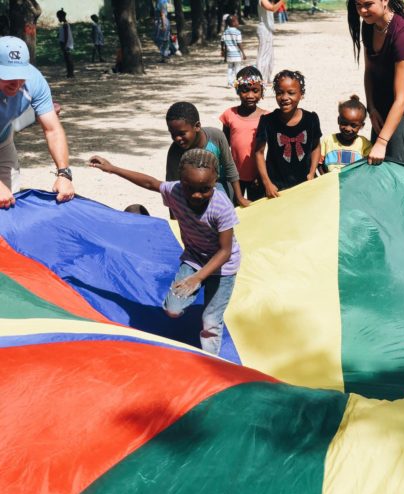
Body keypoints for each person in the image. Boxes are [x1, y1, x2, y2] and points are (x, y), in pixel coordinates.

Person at [89, 149, 240, 356]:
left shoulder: (221, 207)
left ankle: (210, 360)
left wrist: (197, 279)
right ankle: (192, 302)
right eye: (190, 188)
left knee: (211, 320)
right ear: (180, 182)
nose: (197, 195)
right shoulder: (175, 191)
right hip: (195, 259)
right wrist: (113, 169)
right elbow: (150, 183)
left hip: (222, 266)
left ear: (215, 182)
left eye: (205, 189)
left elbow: (225, 251)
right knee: (173, 310)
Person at [347, 0, 404, 167]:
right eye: (358, 5)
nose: (362, 10)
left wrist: (382, 142)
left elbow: (402, 99)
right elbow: (369, 71)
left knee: (401, 175)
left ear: (385, 1)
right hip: (381, 111)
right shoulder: (369, 25)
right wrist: (372, 108)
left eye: (368, 4)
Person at [0, 36, 74, 209]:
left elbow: (52, 130)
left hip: (3, 140)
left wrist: (64, 174)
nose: (16, 84)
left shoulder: (34, 81)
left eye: (21, 76)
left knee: (8, 202)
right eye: (8, 76)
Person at [255, 70, 321, 197]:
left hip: (305, 183)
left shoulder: (311, 119)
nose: (285, 97)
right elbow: (259, 153)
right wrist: (267, 183)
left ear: (301, 94)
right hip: (276, 186)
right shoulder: (267, 121)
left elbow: (316, 147)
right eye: (280, 93)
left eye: (291, 93)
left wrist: (312, 173)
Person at [165, 102, 244, 206]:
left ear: (197, 126)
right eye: (173, 134)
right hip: (193, 193)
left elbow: (229, 166)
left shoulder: (216, 137)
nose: (177, 139)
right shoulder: (175, 152)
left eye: (181, 133)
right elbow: (172, 186)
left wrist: (239, 198)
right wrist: (174, 214)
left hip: (221, 185)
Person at [220, 66, 268, 204]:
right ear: (237, 90)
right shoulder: (229, 115)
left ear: (262, 91)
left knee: (257, 207)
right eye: (245, 90)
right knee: (234, 208)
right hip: (234, 176)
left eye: (255, 90)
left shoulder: (267, 117)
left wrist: (263, 175)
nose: (250, 95)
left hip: (258, 175)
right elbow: (225, 146)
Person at [319, 95, 372, 174]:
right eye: (344, 123)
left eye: (353, 125)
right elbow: (319, 163)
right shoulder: (328, 140)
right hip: (331, 183)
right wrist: (323, 177)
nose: (348, 128)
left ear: (361, 126)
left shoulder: (364, 143)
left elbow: (369, 166)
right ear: (338, 120)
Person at [256, 0, 284, 85]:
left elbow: (273, 10)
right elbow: (271, 8)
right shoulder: (263, 0)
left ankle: (267, 78)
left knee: (270, 56)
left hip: (268, 30)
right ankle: (260, 79)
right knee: (263, 55)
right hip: (264, 30)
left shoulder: (268, 1)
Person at [221, 16, 246, 88]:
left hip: (229, 54)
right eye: (237, 21)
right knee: (237, 68)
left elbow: (223, 43)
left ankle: (230, 83)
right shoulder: (237, 32)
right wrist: (243, 53)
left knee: (230, 68)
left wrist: (223, 52)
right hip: (237, 54)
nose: (238, 22)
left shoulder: (225, 32)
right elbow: (239, 43)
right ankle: (238, 83)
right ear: (233, 23)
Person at [56, 8, 74, 78]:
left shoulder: (65, 24)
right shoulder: (63, 24)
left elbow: (66, 35)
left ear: (62, 17)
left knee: (69, 59)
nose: (58, 19)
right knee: (67, 59)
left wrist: (65, 45)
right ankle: (69, 73)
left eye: (58, 17)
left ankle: (71, 73)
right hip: (64, 44)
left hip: (66, 44)